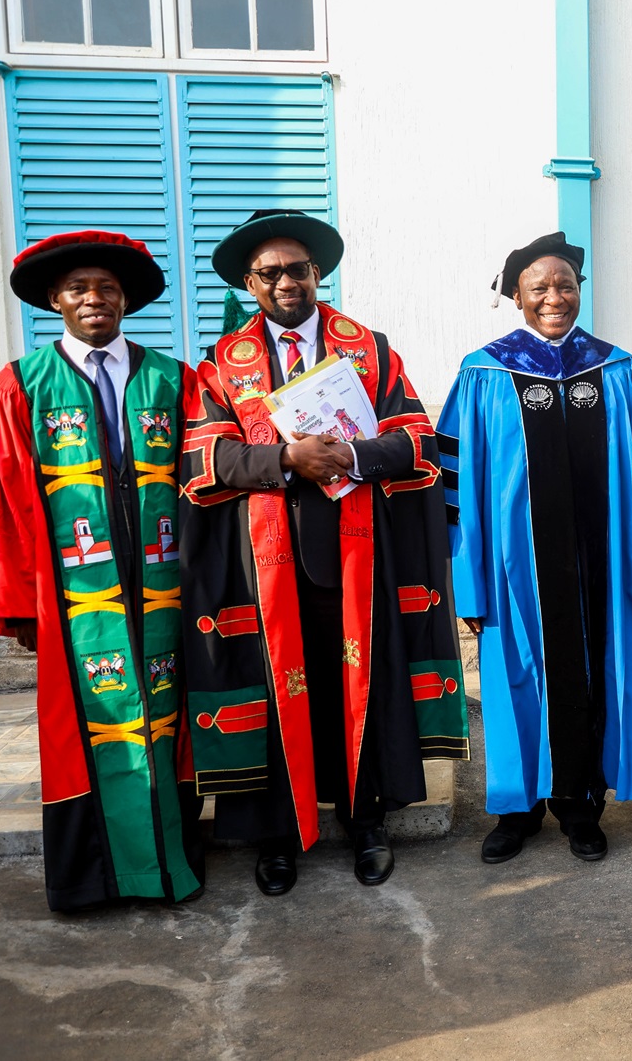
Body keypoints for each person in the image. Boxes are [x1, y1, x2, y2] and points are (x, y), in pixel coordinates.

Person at [180, 209, 467, 896]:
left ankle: (367, 822)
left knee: (354, 688)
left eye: (298, 269)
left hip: (357, 558)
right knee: (287, 691)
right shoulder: (222, 365)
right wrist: (286, 457)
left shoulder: (369, 351)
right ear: (249, 283)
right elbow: (203, 458)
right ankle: (278, 837)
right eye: (271, 272)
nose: (287, 281)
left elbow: (418, 443)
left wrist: (354, 454)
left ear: (319, 274)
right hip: (267, 566)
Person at [0, 230, 204, 910]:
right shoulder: (18, 385)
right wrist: (18, 599)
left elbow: (204, 483)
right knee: (83, 728)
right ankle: (91, 879)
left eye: (108, 287)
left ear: (125, 299)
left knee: (164, 720)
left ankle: (169, 862)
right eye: (79, 288)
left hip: (162, 590)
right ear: (54, 300)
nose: (95, 297)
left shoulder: (172, 378)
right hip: (74, 598)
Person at [441, 232, 632, 864]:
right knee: (516, 677)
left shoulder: (617, 370)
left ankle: (581, 806)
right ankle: (517, 809)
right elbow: (455, 483)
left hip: (600, 563)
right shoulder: (485, 373)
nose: (553, 296)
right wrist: (470, 577)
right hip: (516, 569)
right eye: (538, 286)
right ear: (516, 297)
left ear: (580, 291)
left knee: (592, 678)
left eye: (565, 283)